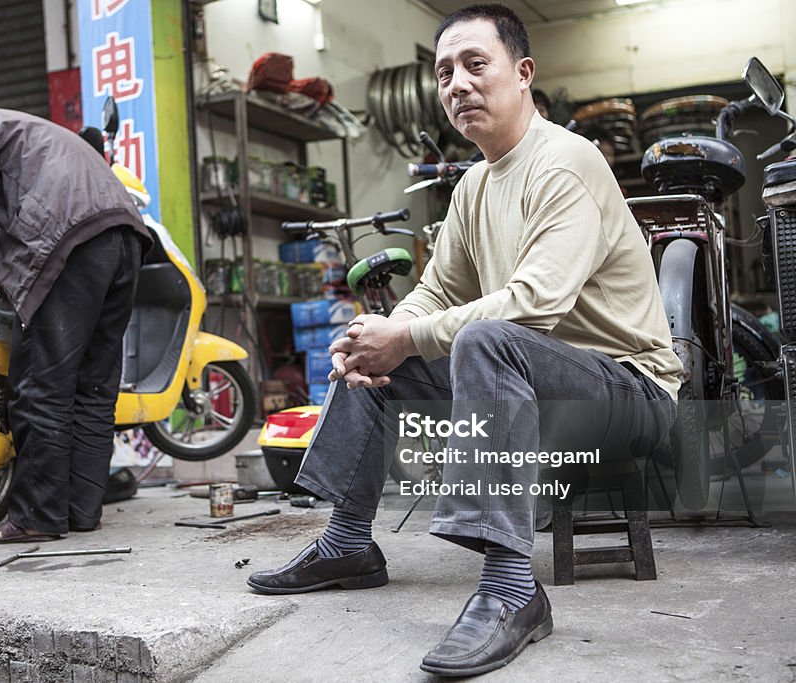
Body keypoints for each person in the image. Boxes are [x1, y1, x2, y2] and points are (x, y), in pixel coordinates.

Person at [247, 3, 682, 677]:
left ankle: (512, 590)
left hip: (629, 391)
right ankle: (348, 541)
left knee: (486, 339)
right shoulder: (473, 186)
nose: (458, 83)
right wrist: (382, 335)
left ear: (523, 73)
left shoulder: (566, 162)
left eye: (477, 64)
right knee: (375, 345)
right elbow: (435, 293)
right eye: (445, 71)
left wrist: (412, 334)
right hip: (539, 383)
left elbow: (535, 306)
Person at [0, 107, 152, 544]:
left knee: (41, 387)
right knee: (93, 388)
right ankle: (80, 512)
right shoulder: (20, 131)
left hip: (70, 238)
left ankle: (38, 518)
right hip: (124, 237)